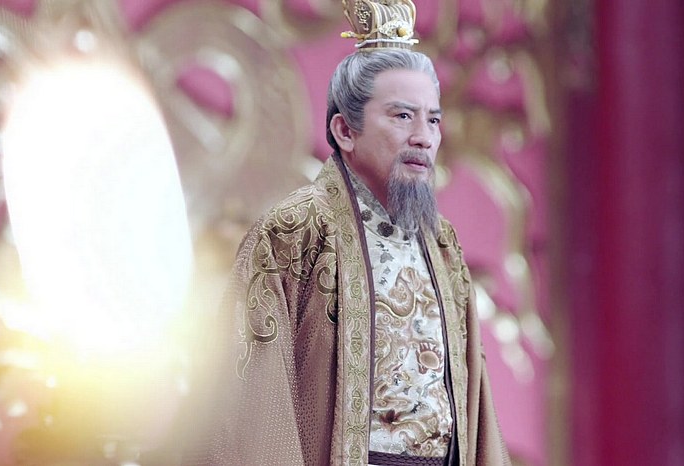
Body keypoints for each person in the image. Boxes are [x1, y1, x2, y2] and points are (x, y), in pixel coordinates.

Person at [197, 1, 511, 465]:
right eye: (402, 116)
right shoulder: (294, 233)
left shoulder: (442, 245)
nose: (424, 137)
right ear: (345, 130)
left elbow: (475, 406)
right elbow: (253, 402)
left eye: (433, 119)